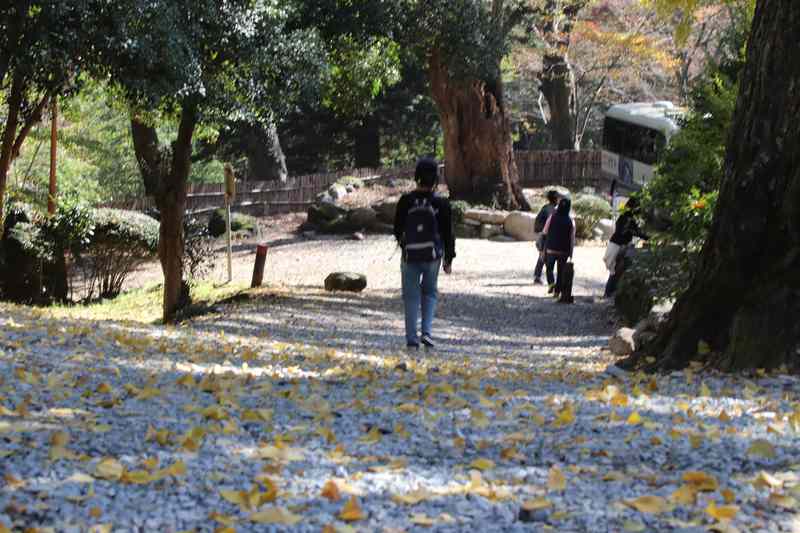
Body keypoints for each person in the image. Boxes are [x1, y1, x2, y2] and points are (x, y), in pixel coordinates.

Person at [393, 158, 455, 351]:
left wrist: (404, 246)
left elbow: (397, 229)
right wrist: (449, 258)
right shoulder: (441, 203)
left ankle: (412, 338)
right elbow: (448, 233)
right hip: (433, 256)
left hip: (410, 256)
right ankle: (426, 332)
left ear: (416, 177)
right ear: (436, 178)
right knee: (429, 292)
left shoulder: (406, 201)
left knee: (411, 296)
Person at [603, 196, 648, 297]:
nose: (639, 209)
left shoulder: (626, 217)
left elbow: (636, 232)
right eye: (637, 206)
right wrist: (646, 236)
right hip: (618, 246)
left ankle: (610, 292)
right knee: (616, 270)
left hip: (617, 245)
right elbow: (632, 232)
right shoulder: (627, 218)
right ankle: (609, 292)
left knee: (616, 270)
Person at [542, 197, 575, 298]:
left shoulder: (552, 217)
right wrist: (571, 253)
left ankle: (551, 283)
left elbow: (545, 232)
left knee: (549, 269)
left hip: (551, 248)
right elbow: (572, 238)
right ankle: (557, 293)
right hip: (564, 251)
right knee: (561, 272)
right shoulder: (571, 221)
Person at [533, 189, 560, 285]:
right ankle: (539, 277)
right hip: (547, 236)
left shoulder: (545, 208)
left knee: (543, 256)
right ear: (556, 199)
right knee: (544, 256)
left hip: (542, 235)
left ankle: (537, 276)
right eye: (558, 198)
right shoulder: (552, 210)